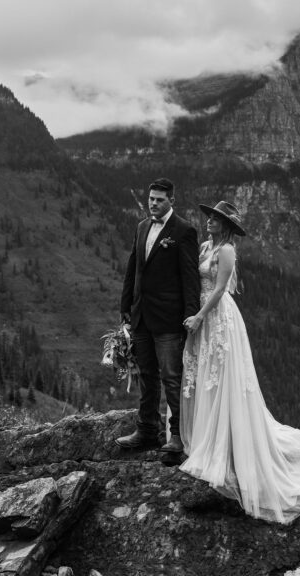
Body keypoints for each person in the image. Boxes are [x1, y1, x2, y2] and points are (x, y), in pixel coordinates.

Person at [180, 200, 300, 524]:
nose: (210, 220)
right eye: (211, 216)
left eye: (216, 219)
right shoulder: (207, 245)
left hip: (218, 319)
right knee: (207, 375)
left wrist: (198, 316)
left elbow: (221, 288)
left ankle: (225, 450)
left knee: (220, 378)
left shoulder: (226, 252)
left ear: (226, 226)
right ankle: (210, 443)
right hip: (204, 318)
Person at [117, 178, 200, 453]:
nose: (153, 203)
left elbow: (190, 278)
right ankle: (147, 431)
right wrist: (125, 306)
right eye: (151, 198)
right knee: (146, 374)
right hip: (141, 314)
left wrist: (190, 315)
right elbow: (134, 267)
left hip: (168, 318)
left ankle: (178, 436)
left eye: (160, 199)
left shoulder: (184, 230)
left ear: (171, 201)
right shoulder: (142, 227)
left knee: (171, 376)